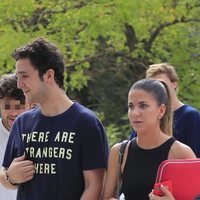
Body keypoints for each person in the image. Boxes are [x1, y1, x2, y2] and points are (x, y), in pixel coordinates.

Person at [1, 38, 108, 200]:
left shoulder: (86, 123)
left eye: (24, 76)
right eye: (18, 77)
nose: (19, 84)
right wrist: (10, 177)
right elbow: (6, 176)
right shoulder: (22, 123)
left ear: (49, 75)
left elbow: (95, 186)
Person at [102, 79, 196, 200]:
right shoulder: (119, 152)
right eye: (131, 106)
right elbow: (106, 197)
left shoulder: (182, 153)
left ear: (161, 110)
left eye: (143, 106)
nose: (135, 113)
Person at [130, 63, 200, 157]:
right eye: (152, 86)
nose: (157, 90)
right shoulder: (143, 117)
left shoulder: (191, 116)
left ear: (174, 84)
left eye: (162, 84)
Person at [0, 73, 33, 200]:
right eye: (8, 106)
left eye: (20, 105)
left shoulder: (46, 134)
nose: (14, 113)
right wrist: (9, 176)